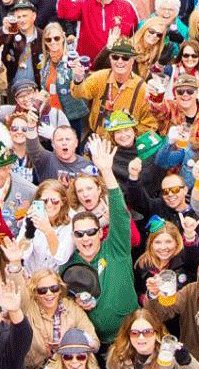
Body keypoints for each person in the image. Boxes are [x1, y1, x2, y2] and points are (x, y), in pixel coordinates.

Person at [61, 138, 138, 351]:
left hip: (131, 338)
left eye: (91, 232)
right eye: (80, 234)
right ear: (73, 236)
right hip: (93, 347)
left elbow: (121, 215)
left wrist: (107, 171)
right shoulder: (67, 265)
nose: (86, 238)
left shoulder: (116, 248)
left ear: (99, 232)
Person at [70, 38, 156, 137]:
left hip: (125, 145)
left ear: (132, 60)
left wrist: (131, 135)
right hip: (98, 139)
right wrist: (78, 79)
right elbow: (78, 93)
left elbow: (150, 124)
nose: (120, 61)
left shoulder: (142, 88)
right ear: (110, 58)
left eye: (125, 58)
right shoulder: (100, 77)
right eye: (115, 57)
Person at [57, 0, 139, 62]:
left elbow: (136, 32)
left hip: (118, 63)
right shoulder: (84, 1)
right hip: (88, 64)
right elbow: (63, 12)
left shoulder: (126, 5)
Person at [108, 308, 199, 369]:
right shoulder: (117, 354)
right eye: (135, 333)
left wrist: (187, 361)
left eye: (147, 332)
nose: (141, 338)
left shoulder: (169, 355)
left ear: (156, 333)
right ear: (128, 334)